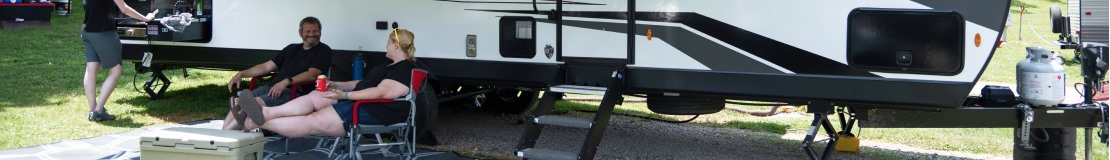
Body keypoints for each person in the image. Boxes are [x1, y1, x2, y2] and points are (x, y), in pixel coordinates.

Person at [231, 29, 418, 138]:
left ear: (395, 44)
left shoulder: (405, 68)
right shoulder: (389, 64)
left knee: (313, 120)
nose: (386, 46)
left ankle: (257, 121)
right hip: (360, 102)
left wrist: (344, 96)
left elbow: (381, 93)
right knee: (316, 96)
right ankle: (266, 112)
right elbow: (363, 83)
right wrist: (336, 85)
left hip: (372, 110)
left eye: (388, 43)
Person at [222, 16, 333, 130]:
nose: (312, 34)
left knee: (252, 103)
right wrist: (242, 74)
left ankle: (232, 132)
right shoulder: (291, 48)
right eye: (308, 31)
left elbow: (312, 74)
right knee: (244, 101)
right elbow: (266, 66)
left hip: (296, 92)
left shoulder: (324, 50)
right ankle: (224, 132)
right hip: (273, 88)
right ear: (300, 33)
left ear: (320, 32)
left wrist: (286, 82)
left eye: (315, 31)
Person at [83, 0, 158, 121]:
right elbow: (124, 9)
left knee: (91, 70)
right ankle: (98, 110)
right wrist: (146, 18)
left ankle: (93, 110)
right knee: (116, 71)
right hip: (104, 33)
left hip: (87, 31)